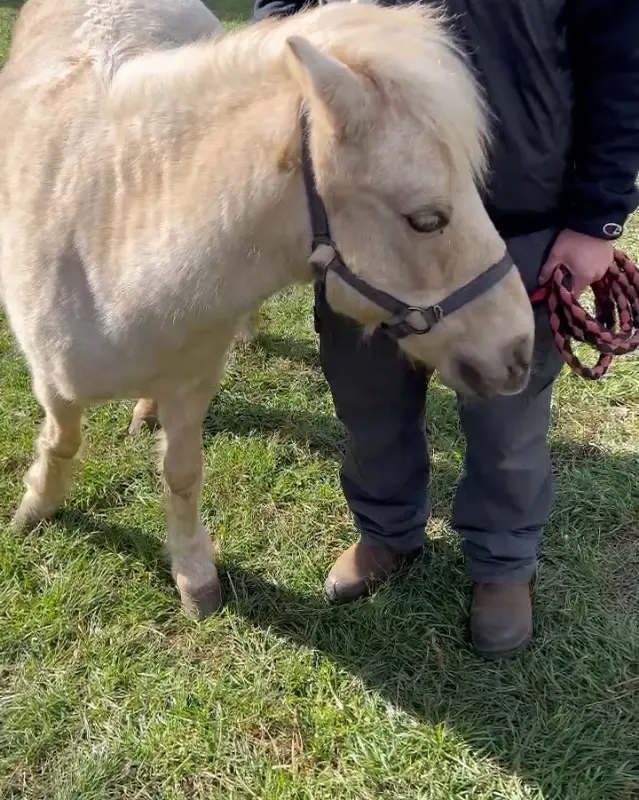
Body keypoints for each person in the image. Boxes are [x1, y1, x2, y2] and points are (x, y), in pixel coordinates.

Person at [252, 0, 639, 659]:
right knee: (367, 403)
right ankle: (387, 531)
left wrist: (595, 217)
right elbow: (279, 25)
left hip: (518, 215)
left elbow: (618, 55)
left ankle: (501, 564)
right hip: (370, 217)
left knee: (507, 419)